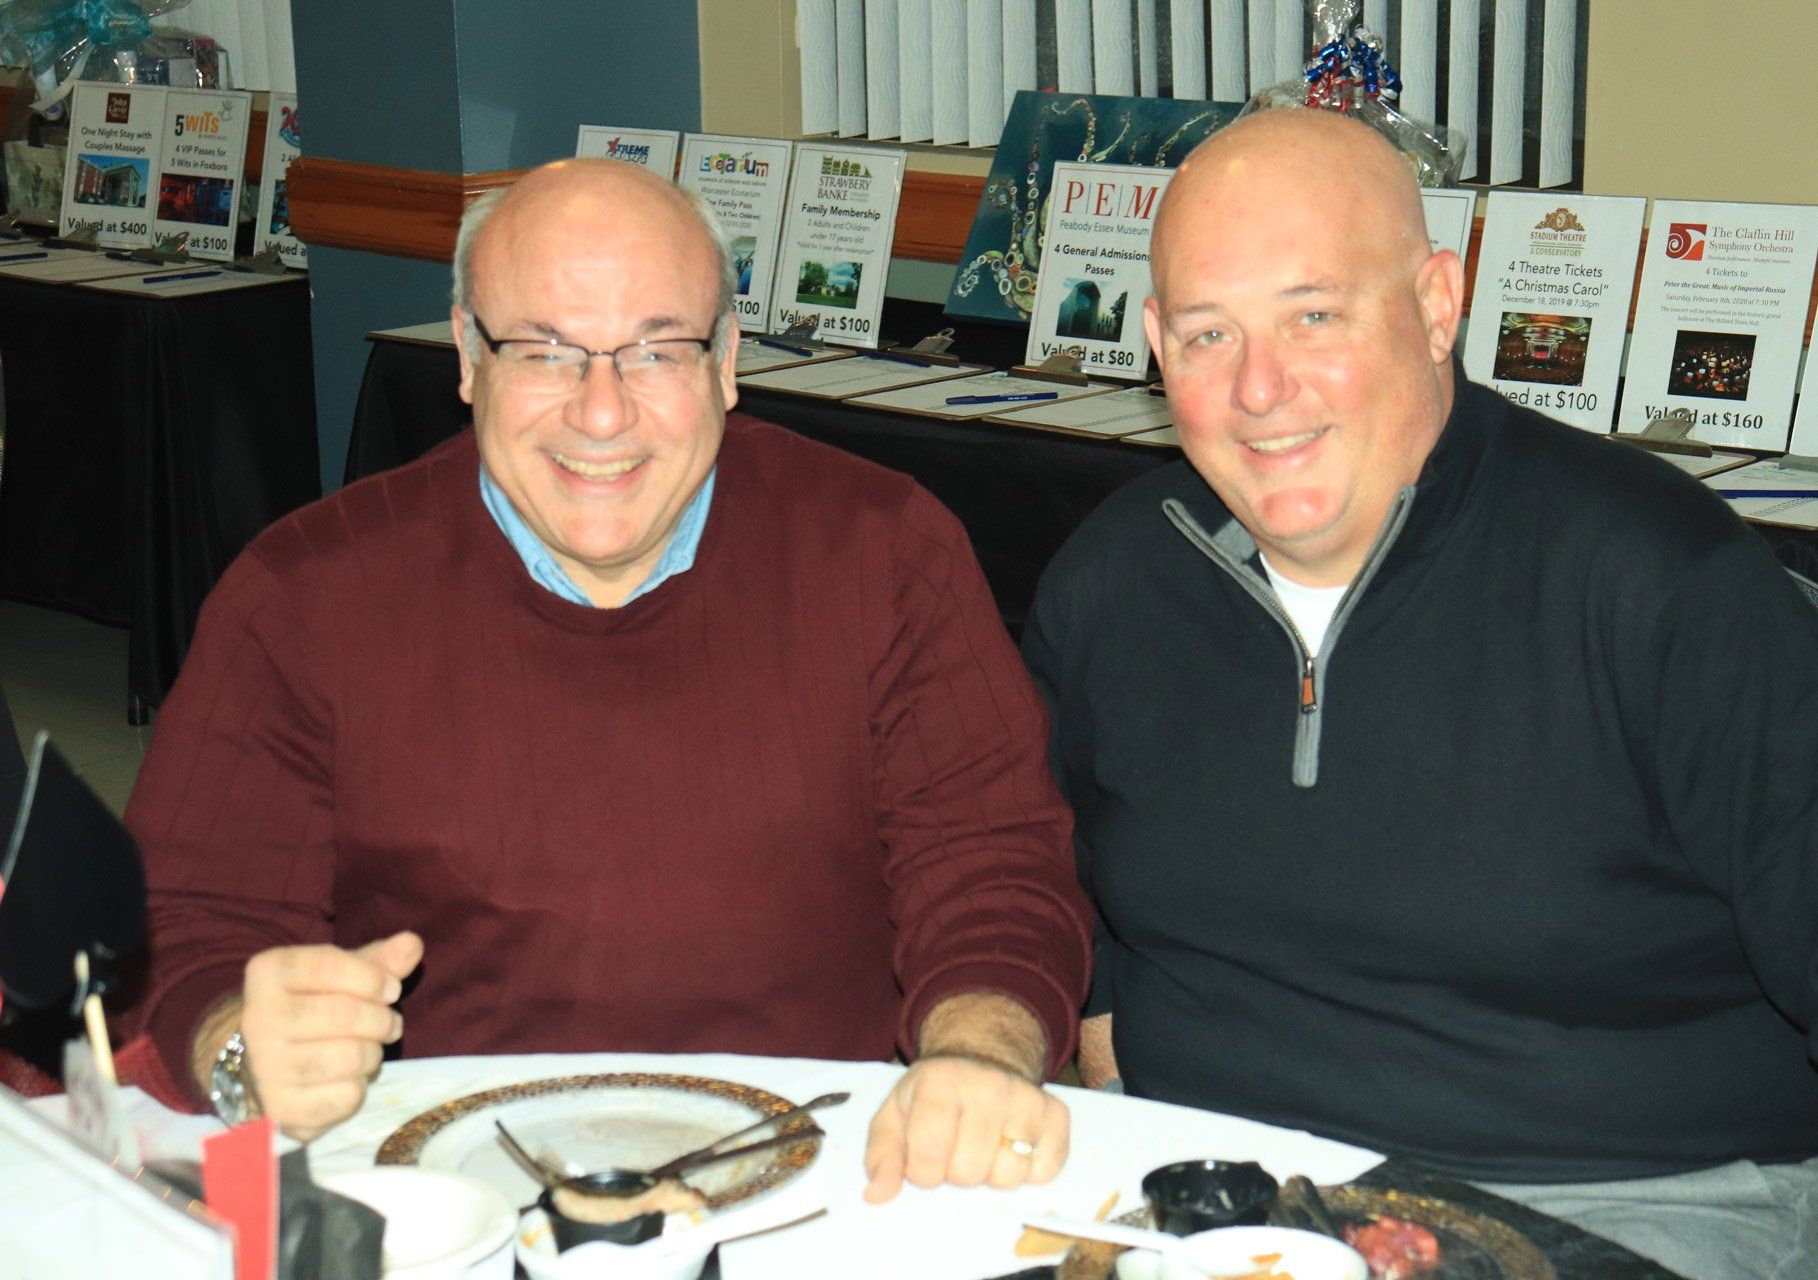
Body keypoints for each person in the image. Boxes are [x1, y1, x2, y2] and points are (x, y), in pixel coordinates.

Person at [1021, 108, 1818, 1279]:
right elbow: (1047, 881)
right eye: (1207, 335)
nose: (1260, 388)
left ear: (1438, 304)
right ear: (1152, 341)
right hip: (1244, 1202)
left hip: (1645, 1203)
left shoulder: (1648, 575)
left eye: (1314, 315)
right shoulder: (1116, 581)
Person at [121, 158, 1092, 1201]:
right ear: (466, 357)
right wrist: (240, 1042)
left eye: (656, 350)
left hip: (821, 1172)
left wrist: (976, 1056)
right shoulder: (303, 595)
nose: (600, 412)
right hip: (443, 1187)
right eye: (544, 349)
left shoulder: (883, 551)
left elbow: (993, 867)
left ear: (726, 360)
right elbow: (184, 917)